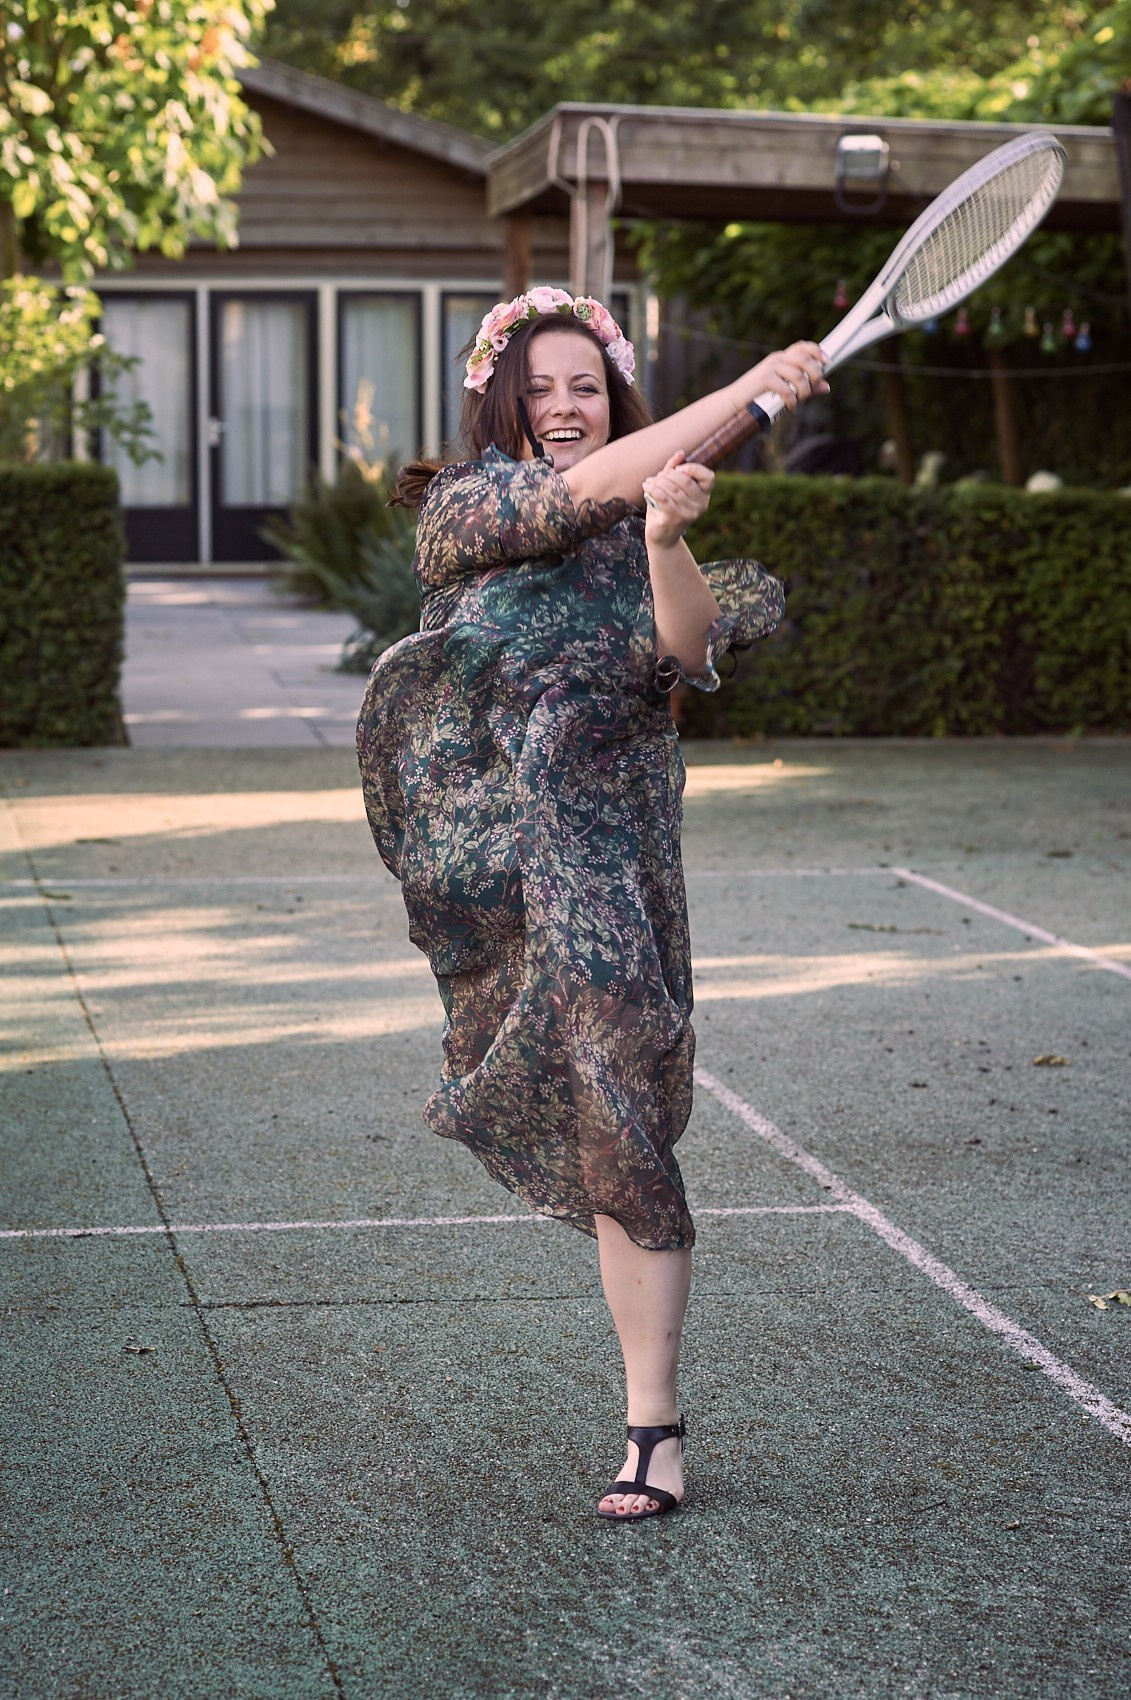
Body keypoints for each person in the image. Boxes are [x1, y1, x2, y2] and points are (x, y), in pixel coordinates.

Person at [357, 287, 827, 1520]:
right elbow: (580, 492)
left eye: (586, 387)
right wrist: (753, 386)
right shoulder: (470, 507)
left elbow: (684, 658)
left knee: (627, 1126)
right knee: (557, 1100)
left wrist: (670, 535)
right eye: (543, 387)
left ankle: (651, 1429)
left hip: (615, 872)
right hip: (494, 876)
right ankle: (651, 1419)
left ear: (611, 396)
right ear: (503, 400)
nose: (565, 408)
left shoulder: (635, 527)